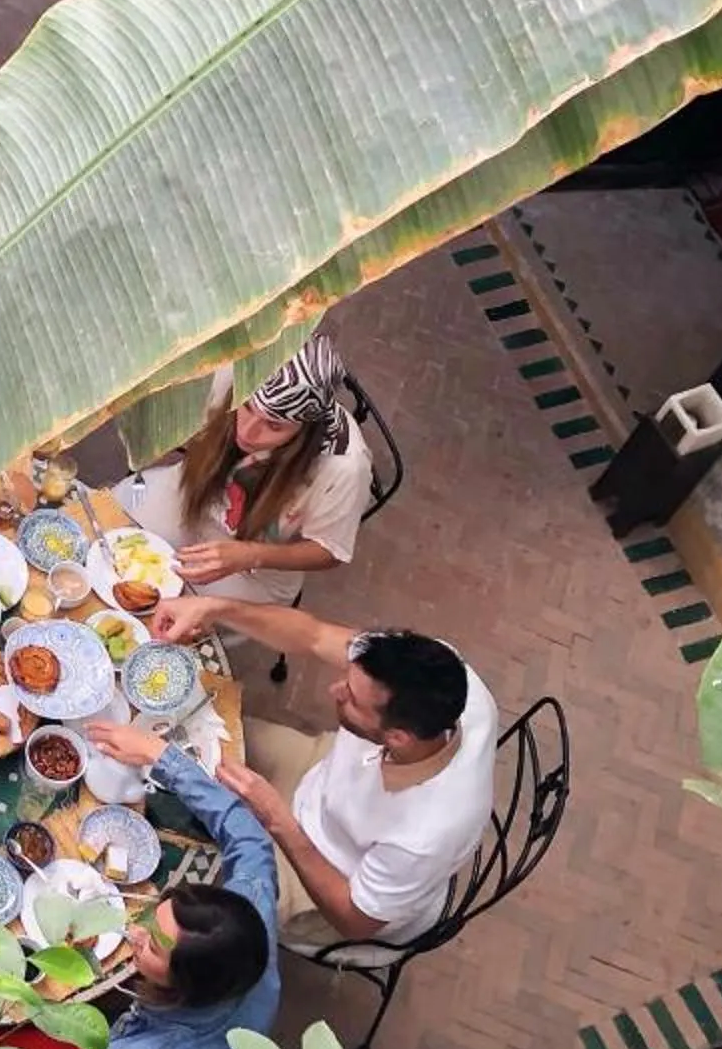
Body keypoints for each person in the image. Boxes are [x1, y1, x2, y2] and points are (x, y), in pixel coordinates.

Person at [0, 719, 279, 1049]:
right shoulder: (252, 928)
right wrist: (161, 756)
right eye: (153, 919)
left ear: (186, 986)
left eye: (154, 947)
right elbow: (252, 844)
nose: (135, 934)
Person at [151, 593, 498, 952]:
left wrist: (277, 820)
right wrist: (217, 608)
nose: (334, 690)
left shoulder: (425, 835)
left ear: (397, 737)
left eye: (349, 697)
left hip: (330, 883)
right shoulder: (439, 674)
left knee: (187, 916)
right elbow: (314, 635)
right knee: (194, 728)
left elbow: (353, 919)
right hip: (318, 779)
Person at [117, 337, 374, 608]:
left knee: (170, 607)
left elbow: (329, 551)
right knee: (117, 515)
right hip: (194, 493)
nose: (247, 432)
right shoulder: (228, 371)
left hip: (257, 565)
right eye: (247, 406)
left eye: (273, 426)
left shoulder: (345, 467)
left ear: (304, 429)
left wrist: (251, 555)